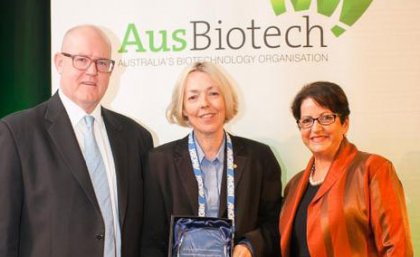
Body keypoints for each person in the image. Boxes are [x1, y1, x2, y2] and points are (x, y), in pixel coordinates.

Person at [0, 25, 153, 257]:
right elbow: (4, 234)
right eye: (81, 59)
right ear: (59, 62)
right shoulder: (17, 133)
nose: (92, 71)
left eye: (102, 62)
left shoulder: (136, 138)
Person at [140, 62, 282, 257]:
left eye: (213, 93)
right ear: (183, 108)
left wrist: (251, 245)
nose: (204, 103)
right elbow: (151, 239)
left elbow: (275, 223)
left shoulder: (259, 157)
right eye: (193, 97)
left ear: (226, 99)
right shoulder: (159, 162)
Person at [279, 81, 413, 257]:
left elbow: (397, 249)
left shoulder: (373, 170)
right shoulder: (294, 186)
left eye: (326, 118)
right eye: (307, 121)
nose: (316, 128)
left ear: (345, 123)